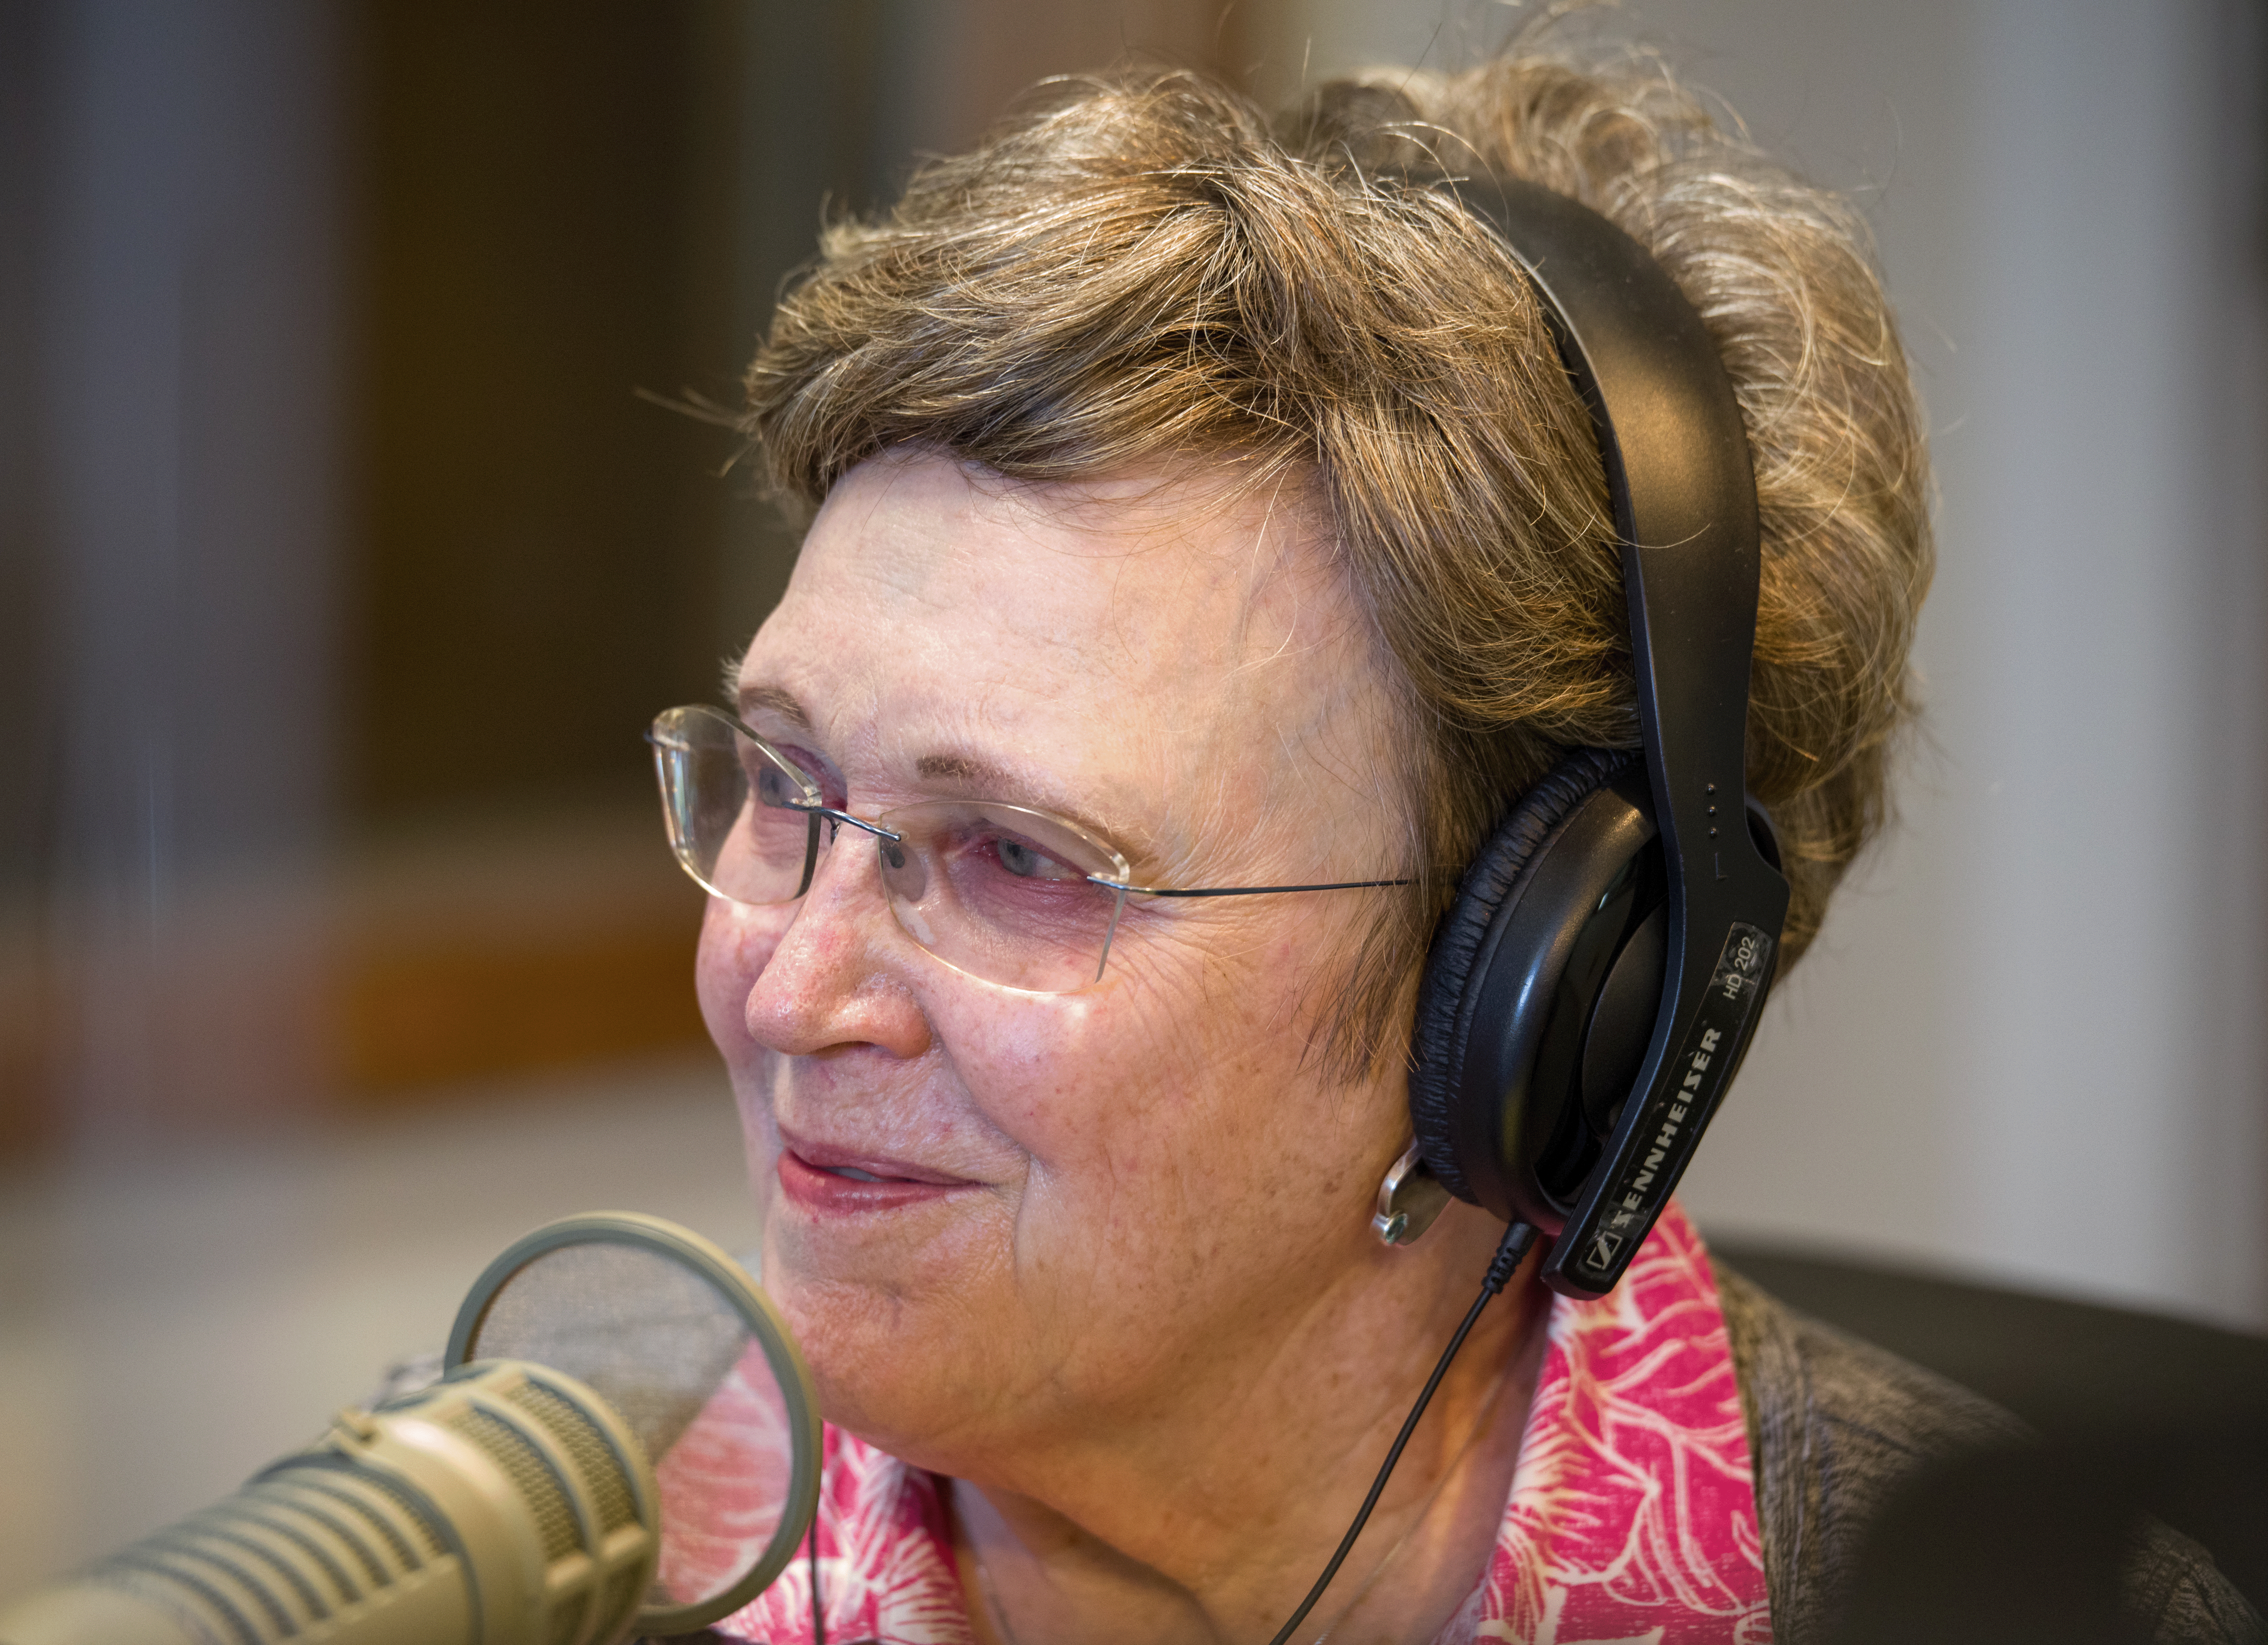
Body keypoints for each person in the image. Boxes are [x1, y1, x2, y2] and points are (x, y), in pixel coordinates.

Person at [646, 38, 2261, 1645]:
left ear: (1539, 1004)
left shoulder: (2013, 1613)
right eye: (787, 787)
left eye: (1021, 856)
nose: (787, 991)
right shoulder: (533, 1550)